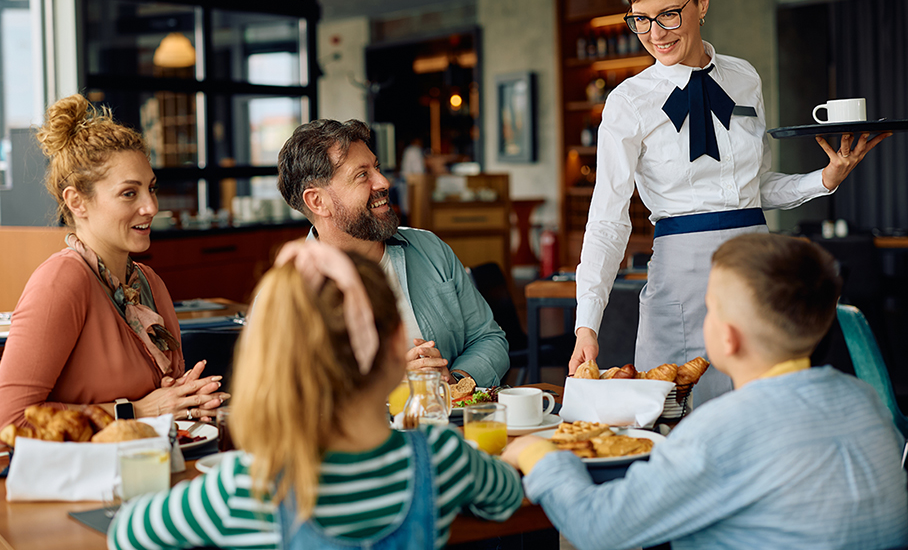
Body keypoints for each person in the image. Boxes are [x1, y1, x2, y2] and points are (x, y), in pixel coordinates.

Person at [570, 0, 890, 404]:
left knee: (762, 410)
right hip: (680, 278)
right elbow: (607, 220)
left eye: (668, 14)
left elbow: (753, 188)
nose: (655, 33)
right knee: (675, 416)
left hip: (756, 272)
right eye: (641, 19)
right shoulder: (628, 103)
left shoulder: (744, 78)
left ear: (702, 2)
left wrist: (824, 180)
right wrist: (586, 322)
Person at [504, 233, 908, 549]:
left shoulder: (722, 428)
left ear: (728, 338)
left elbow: (599, 526)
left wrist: (539, 455)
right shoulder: (865, 402)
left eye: (710, 307)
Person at [107, 241, 523, 550]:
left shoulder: (239, 489)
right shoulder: (441, 458)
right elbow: (506, 497)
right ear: (400, 345)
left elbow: (127, 535)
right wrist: (526, 454)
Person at [0, 94, 228, 428]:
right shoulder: (61, 281)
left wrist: (188, 399)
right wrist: (137, 411)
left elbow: (165, 403)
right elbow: (10, 420)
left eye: (151, 189)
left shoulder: (149, 283)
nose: (151, 207)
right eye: (129, 193)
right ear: (77, 201)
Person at [276, 119, 510, 386]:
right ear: (317, 201)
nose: (384, 181)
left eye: (376, 167)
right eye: (362, 175)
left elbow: (489, 338)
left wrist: (455, 382)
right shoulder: (286, 294)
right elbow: (287, 400)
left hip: (453, 425)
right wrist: (389, 386)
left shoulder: (430, 249)